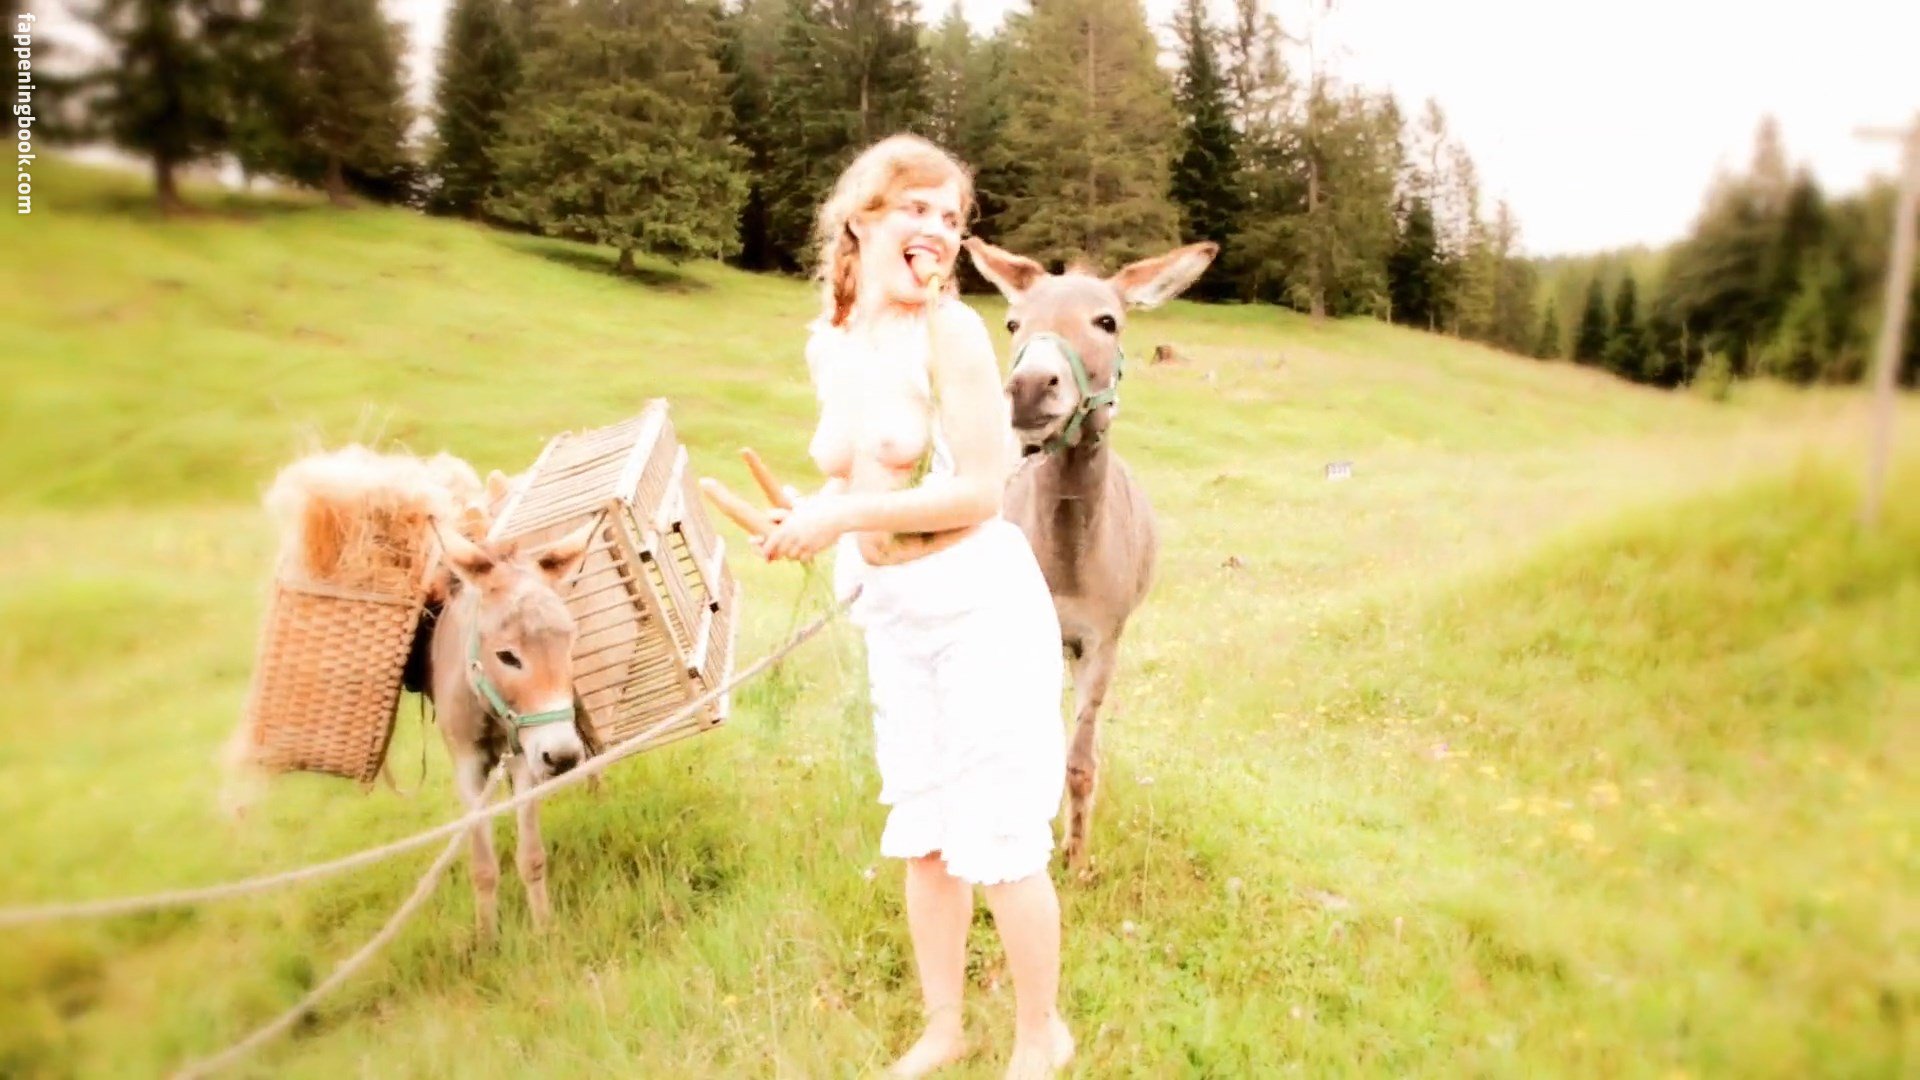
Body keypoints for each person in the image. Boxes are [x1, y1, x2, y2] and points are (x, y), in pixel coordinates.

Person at [754, 133, 1075, 1079]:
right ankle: (945, 1028)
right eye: (916, 209)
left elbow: (980, 490)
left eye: (951, 216)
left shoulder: (954, 333)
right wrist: (807, 513)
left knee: (1000, 838)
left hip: (979, 610)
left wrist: (844, 516)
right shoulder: (833, 342)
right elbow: (861, 472)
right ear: (862, 219)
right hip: (895, 617)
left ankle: (1040, 1037)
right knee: (926, 832)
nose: (937, 229)